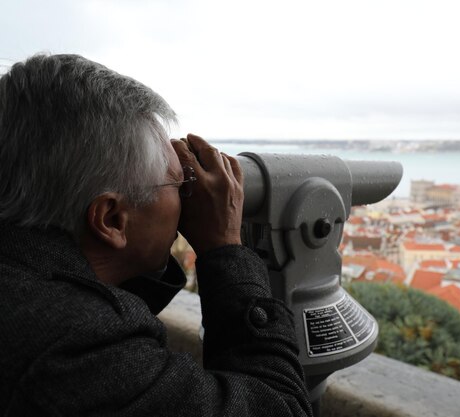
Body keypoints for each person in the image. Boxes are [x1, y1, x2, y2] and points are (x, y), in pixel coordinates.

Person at [0, 54, 312, 416]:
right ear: (112, 218)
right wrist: (224, 246)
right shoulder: (75, 345)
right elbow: (281, 409)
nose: (187, 197)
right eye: (179, 182)